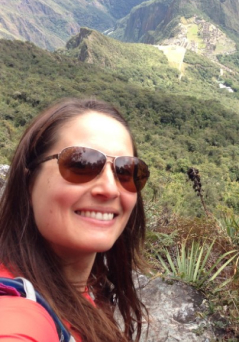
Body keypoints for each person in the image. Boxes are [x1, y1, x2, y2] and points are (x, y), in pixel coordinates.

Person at [0, 98, 150, 342]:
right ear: (28, 181)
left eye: (126, 171)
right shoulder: (19, 311)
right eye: (81, 164)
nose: (111, 189)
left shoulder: (82, 292)